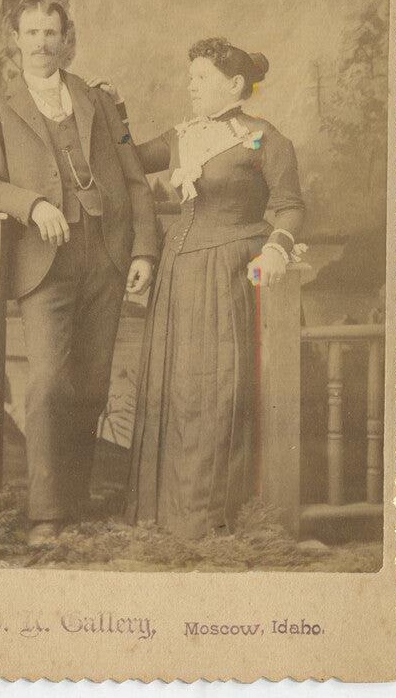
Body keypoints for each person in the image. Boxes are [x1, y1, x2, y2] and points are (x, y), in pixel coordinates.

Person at [0, 0, 159, 546]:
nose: (43, 42)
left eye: (52, 32)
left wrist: (143, 250)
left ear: (66, 38)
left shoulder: (99, 99)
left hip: (107, 252)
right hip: (44, 259)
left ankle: (75, 498)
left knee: (92, 382)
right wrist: (32, 205)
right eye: (32, 32)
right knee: (49, 381)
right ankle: (46, 514)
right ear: (15, 39)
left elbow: (136, 178)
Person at [111, 38, 305, 539]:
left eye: (200, 78)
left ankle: (212, 516)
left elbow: (289, 204)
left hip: (230, 273)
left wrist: (277, 247)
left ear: (234, 84)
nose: (190, 86)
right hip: (177, 275)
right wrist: (110, 114)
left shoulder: (263, 138)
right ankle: (167, 514)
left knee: (219, 387)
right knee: (177, 388)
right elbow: (125, 160)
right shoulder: (181, 137)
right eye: (190, 77)